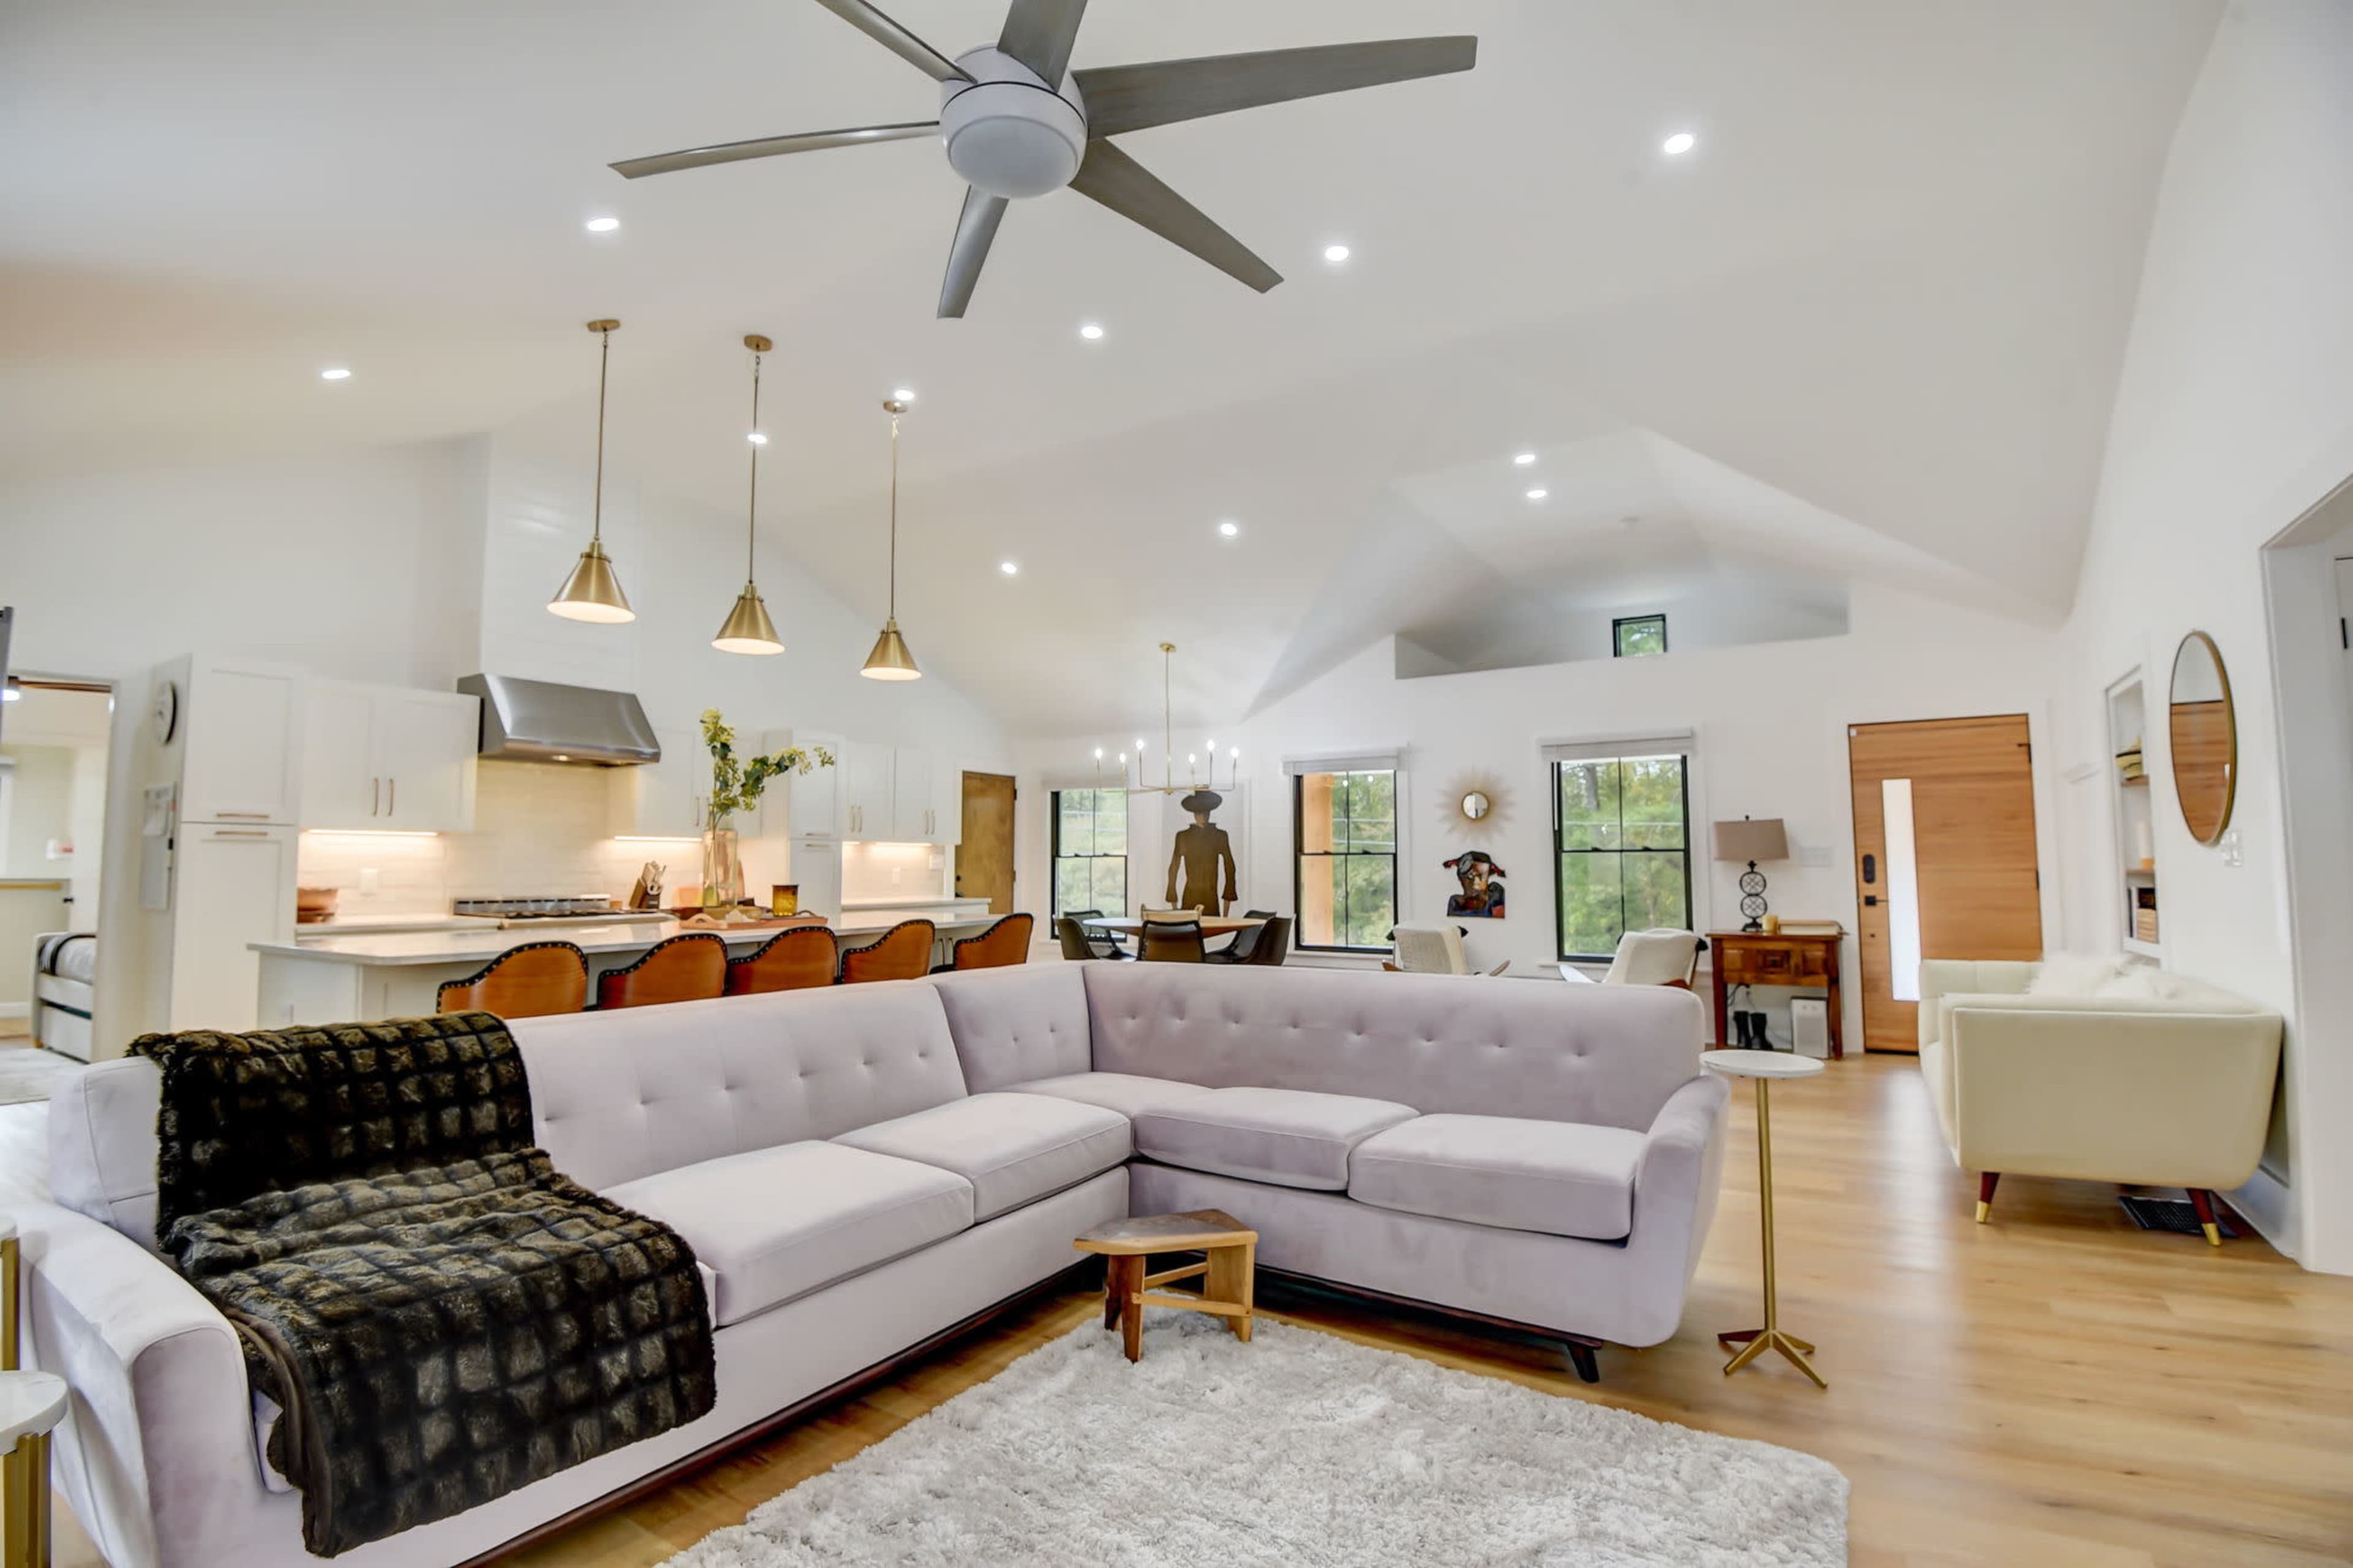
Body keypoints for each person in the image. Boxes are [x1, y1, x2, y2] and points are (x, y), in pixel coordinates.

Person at [1166, 790, 1238, 915]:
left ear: (1210, 813)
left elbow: (1230, 868)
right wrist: (1173, 903)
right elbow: (1174, 868)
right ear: (1194, 814)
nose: (1203, 817)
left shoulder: (1219, 836)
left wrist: (1226, 912)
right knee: (1189, 931)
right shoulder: (1183, 837)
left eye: (1206, 813)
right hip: (1190, 897)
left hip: (1210, 897)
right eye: (1199, 813)